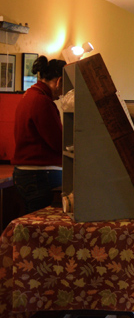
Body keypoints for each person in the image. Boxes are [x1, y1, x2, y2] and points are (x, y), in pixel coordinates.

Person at [12, 55, 67, 216]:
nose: (63, 93)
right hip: (41, 174)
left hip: (27, 173)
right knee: (43, 228)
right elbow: (58, 142)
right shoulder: (42, 101)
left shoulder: (29, 95)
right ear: (59, 81)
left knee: (33, 226)